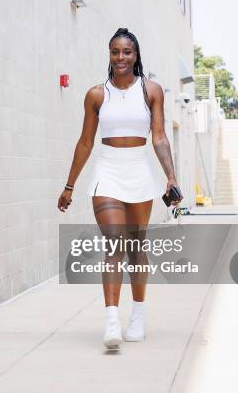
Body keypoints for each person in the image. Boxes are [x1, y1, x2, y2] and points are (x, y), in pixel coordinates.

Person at [57, 27, 182, 349]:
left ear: (136, 55)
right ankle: (111, 320)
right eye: (115, 51)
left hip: (139, 170)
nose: (121, 57)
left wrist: (171, 177)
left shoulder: (150, 90)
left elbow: (159, 136)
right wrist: (69, 185)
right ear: (109, 55)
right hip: (108, 171)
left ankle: (137, 315)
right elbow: (86, 142)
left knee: (137, 245)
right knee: (114, 243)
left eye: (127, 52)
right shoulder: (97, 95)